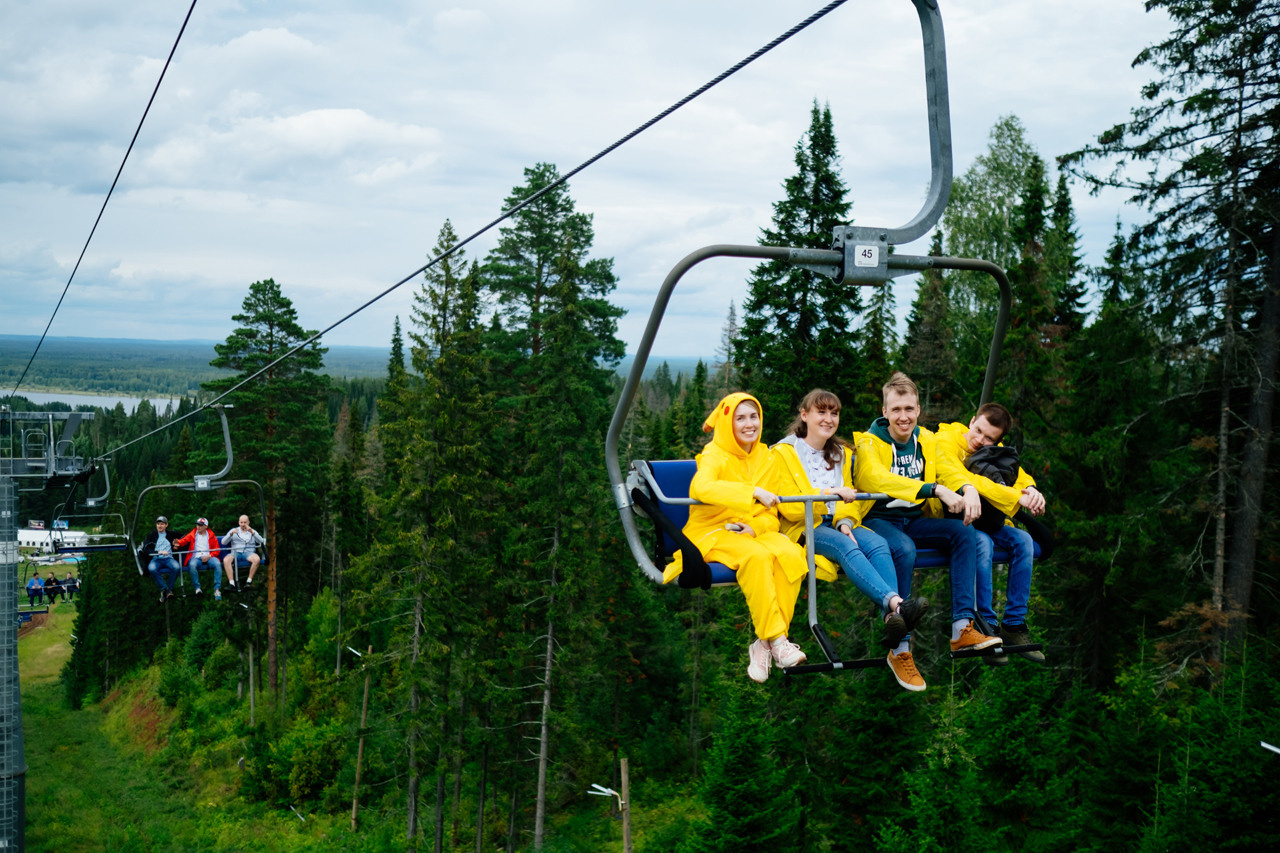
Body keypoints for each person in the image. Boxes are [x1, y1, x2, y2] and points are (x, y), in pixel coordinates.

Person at [772, 389, 929, 691]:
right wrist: (827, 497)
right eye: (822, 412)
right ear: (804, 415)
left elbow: (850, 498)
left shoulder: (841, 453)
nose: (829, 419)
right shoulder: (784, 453)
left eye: (834, 413)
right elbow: (788, 505)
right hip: (806, 526)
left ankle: (891, 619)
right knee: (846, 548)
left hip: (838, 522)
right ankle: (896, 604)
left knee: (877, 544)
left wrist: (845, 520)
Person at [662, 392, 809, 683]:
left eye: (753, 416)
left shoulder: (766, 457)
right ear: (728, 422)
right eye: (740, 418)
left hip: (751, 530)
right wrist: (750, 492)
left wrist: (755, 529)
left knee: (792, 555)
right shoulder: (714, 454)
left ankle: (765, 643)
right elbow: (702, 489)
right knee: (756, 557)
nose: (749, 424)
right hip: (713, 531)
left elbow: (771, 512)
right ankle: (778, 641)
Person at [854, 372, 1001, 656]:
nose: (903, 416)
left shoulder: (927, 440)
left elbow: (949, 467)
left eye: (909, 409)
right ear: (884, 412)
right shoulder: (869, 443)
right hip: (878, 521)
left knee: (962, 532)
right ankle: (900, 644)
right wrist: (933, 489)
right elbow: (875, 478)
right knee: (904, 548)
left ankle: (962, 628)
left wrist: (967, 487)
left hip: (914, 520)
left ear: (918, 410)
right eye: (896, 409)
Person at [937, 402, 1047, 663]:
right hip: (953, 520)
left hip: (985, 518)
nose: (980, 440)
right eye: (978, 431)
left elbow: (1017, 473)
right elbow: (961, 476)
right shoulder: (946, 440)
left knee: (1023, 541)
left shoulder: (991, 449)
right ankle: (984, 623)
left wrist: (1030, 489)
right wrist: (1012, 497)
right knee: (983, 543)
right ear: (972, 420)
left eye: (989, 439)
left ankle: (1014, 624)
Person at [176, 517, 223, 600]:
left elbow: (217, 549)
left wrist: (209, 556)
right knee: (192, 565)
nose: (198, 527)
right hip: (196, 557)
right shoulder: (193, 533)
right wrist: (178, 542)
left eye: (200, 525)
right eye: (197, 525)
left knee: (217, 564)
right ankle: (197, 588)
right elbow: (184, 540)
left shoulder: (211, 535)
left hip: (209, 556)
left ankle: (217, 589)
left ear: (206, 526)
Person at [140, 515, 181, 602]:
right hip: (156, 559)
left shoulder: (171, 534)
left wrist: (178, 543)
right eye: (158, 524)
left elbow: (185, 537)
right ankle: (166, 590)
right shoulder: (152, 535)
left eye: (162, 524)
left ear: (166, 525)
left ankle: (166, 590)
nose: (159, 526)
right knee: (152, 568)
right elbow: (146, 549)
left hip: (169, 559)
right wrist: (158, 552)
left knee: (176, 567)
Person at [221, 515, 265, 587]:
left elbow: (261, 541)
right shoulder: (234, 530)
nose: (243, 524)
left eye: (245, 522)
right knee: (226, 560)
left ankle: (249, 581)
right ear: (239, 522)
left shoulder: (252, 531)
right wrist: (230, 534)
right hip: (235, 552)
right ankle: (231, 583)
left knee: (257, 559)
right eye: (241, 522)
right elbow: (223, 542)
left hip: (249, 553)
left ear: (248, 522)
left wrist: (252, 532)